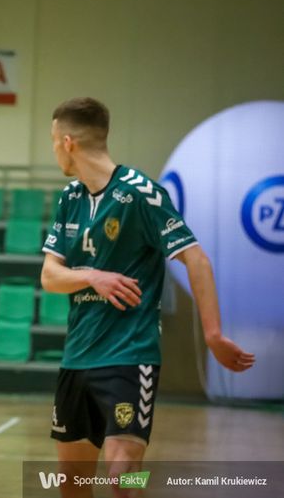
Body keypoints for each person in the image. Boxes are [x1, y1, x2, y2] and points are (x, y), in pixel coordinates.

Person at [40, 97, 255, 497]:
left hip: (129, 355)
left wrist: (213, 336)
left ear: (68, 142)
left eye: (53, 141)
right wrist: (92, 277)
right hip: (76, 357)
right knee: (71, 480)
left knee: (123, 475)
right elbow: (49, 276)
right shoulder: (70, 198)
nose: (53, 149)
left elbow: (197, 259)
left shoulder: (142, 193)